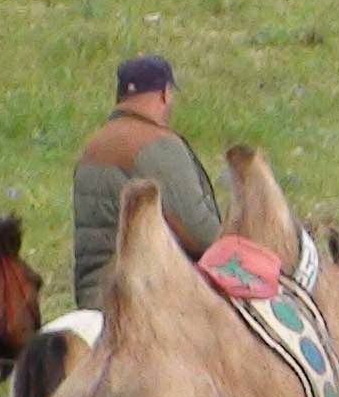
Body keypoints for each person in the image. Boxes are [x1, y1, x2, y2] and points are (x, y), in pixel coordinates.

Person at [67, 53, 226, 313]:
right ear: (164, 94)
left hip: (92, 296)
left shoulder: (94, 145)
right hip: (144, 298)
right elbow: (198, 232)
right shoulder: (157, 145)